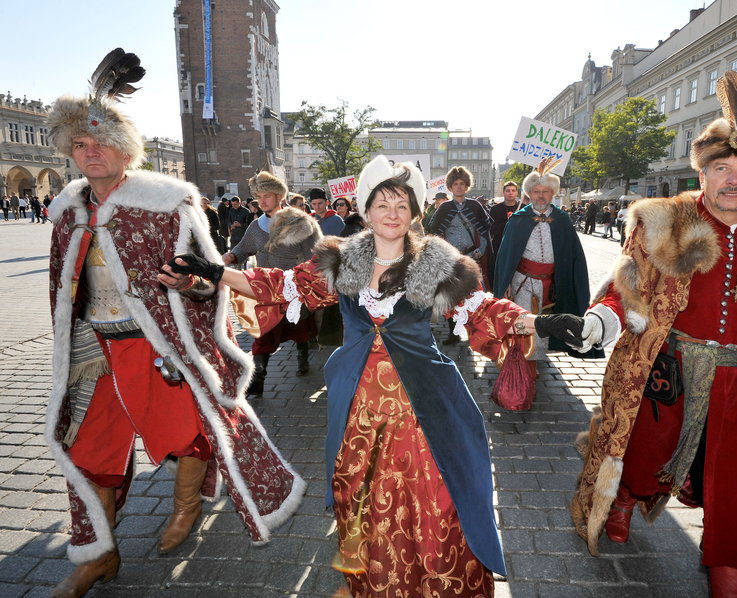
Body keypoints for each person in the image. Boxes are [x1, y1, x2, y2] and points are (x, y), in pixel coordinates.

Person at [167, 155, 575, 597]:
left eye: (402, 204)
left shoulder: (436, 263)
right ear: (365, 209)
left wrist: (539, 324)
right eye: (382, 203)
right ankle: (371, 582)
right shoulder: (341, 261)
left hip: (425, 403)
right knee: (359, 494)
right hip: (357, 404)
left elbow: (483, 308)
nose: (392, 213)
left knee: (433, 499)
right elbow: (278, 285)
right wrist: (215, 272)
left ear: (416, 212)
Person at [44, 49, 304, 598]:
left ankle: (184, 510)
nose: (90, 153)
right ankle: (98, 553)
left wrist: (191, 283)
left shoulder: (168, 203)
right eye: (80, 145)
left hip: (158, 346)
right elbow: (60, 290)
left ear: (125, 149)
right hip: (94, 348)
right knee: (87, 450)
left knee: (186, 435)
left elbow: (210, 280)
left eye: (101, 142)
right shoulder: (66, 211)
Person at [566, 72, 737, 597]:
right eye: (722, 167)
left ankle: (731, 581)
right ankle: (625, 500)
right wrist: (602, 319)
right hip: (665, 371)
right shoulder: (664, 222)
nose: (734, 179)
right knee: (640, 453)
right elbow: (625, 289)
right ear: (700, 172)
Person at [494, 159, 601, 382]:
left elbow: (573, 256)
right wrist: (506, 286)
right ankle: (526, 361)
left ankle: (537, 358)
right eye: (536, 191)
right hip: (523, 281)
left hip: (553, 283)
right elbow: (506, 256)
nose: (540, 196)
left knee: (546, 323)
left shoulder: (562, 220)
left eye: (545, 191)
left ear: (553, 193)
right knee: (526, 322)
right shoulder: (518, 219)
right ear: (529, 193)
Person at [223, 171, 321, 388]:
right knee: (263, 334)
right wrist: (230, 256)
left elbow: (315, 257)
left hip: (294, 289)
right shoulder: (256, 226)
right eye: (259, 197)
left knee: (300, 329)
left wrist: (308, 282)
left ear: (279, 196)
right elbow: (242, 248)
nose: (262, 201)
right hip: (265, 290)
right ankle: (258, 379)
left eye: (267, 195)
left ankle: (302, 356)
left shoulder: (300, 223)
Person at [428, 166, 492, 342]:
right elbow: (434, 233)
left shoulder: (475, 206)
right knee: (451, 295)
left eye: (462, 183)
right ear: (450, 186)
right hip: (452, 259)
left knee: (473, 295)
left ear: (466, 186)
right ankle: (453, 332)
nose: (458, 187)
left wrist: (481, 250)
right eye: (455, 184)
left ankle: (475, 331)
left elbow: (486, 231)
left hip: (472, 257)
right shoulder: (445, 207)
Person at [489, 181, 520, 257]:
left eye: (513, 190)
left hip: (518, 246)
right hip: (500, 246)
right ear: (503, 193)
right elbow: (491, 229)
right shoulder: (495, 209)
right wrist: (508, 222)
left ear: (516, 193)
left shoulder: (523, 208)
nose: (510, 193)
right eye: (508, 190)